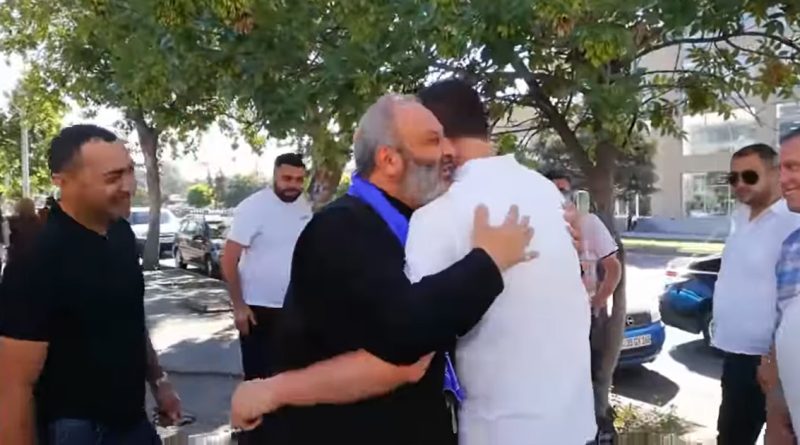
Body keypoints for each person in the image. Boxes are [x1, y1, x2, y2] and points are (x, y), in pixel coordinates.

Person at [230, 83, 591, 444]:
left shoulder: (416, 217)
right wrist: (489, 261)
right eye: (434, 141)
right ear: (389, 160)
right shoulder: (340, 229)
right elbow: (407, 351)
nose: (449, 151)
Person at [0, 124, 181, 445]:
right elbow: (14, 387)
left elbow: (130, 318)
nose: (129, 186)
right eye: (113, 177)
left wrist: (159, 381)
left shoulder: (122, 234)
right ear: (62, 181)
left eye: (130, 171)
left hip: (133, 421)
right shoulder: (37, 259)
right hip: (76, 431)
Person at [712, 143, 800, 445]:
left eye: (749, 176)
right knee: (731, 437)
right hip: (737, 355)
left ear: (775, 174)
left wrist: (773, 360)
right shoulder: (740, 216)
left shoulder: (792, 221)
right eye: (733, 178)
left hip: (775, 361)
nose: (739, 184)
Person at [221, 152, 310, 444]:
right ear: (274, 175)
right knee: (258, 384)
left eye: (299, 179)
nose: (293, 185)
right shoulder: (253, 207)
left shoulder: (305, 205)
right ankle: (252, 438)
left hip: (294, 309)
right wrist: (239, 306)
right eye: (287, 178)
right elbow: (228, 259)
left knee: (289, 381)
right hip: (258, 311)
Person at [545, 170, 623, 440]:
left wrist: (598, 300)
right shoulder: (536, 225)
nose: (560, 196)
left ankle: (595, 431)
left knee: (589, 378)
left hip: (586, 317)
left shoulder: (588, 222)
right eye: (554, 190)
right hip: (552, 321)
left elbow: (613, 267)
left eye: (564, 190)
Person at [762, 127, 800, 444]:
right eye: (781, 169)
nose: (783, 180)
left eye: (794, 167)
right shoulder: (791, 248)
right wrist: (775, 410)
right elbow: (782, 331)